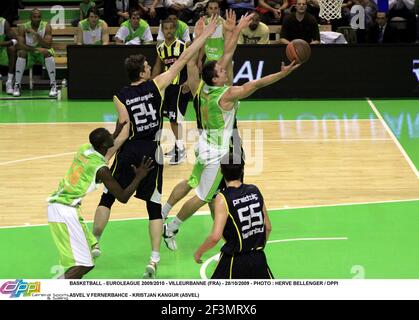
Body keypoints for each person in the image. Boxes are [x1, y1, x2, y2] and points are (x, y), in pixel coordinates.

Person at [91, 17, 218, 279]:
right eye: (147, 66)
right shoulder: (156, 86)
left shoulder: (120, 96)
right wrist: (203, 37)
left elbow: (123, 129)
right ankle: (153, 258)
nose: (151, 67)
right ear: (142, 73)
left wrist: (106, 156)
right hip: (152, 151)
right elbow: (184, 60)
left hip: (129, 150)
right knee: (153, 205)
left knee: (107, 197)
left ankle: (94, 244)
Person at [162, 12, 300, 251]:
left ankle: (164, 211)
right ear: (216, 78)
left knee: (192, 180)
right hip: (217, 151)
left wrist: (230, 31)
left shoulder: (201, 87)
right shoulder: (226, 96)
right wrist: (284, 74)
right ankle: (172, 226)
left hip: (203, 143)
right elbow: (256, 83)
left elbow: (222, 55)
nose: (225, 71)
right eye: (222, 72)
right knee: (204, 195)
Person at [47, 121, 154, 279]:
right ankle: (53, 289)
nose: (112, 135)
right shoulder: (101, 170)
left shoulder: (84, 149)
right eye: (108, 135)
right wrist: (139, 176)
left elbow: (104, 146)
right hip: (65, 211)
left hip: (59, 205)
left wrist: (117, 132)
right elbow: (123, 197)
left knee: (85, 259)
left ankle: (59, 287)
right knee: (85, 265)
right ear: (104, 144)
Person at [194, 153, 273, 279]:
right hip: (258, 259)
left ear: (221, 170)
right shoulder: (255, 190)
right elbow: (268, 227)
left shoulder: (223, 198)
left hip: (234, 261)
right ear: (242, 169)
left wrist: (199, 252)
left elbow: (215, 237)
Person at [152, 19, 190, 165]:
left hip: (180, 86)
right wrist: (152, 83)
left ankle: (180, 150)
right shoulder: (160, 48)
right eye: (165, 28)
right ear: (162, 30)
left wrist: (188, 81)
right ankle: (177, 147)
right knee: (170, 118)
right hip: (167, 87)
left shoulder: (182, 46)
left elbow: (192, 63)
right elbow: (157, 66)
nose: (168, 31)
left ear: (175, 30)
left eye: (170, 28)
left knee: (175, 119)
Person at [13, 8, 57, 97]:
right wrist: (35, 50)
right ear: (30, 17)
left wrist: (36, 34)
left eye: (39, 17)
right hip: (30, 52)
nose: (37, 19)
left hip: (41, 53)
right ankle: (17, 85)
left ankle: (53, 85)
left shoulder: (46, 26)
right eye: (34, 17)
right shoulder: (23, 27)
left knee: (48, 52)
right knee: (21, 53)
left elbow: (48, 45)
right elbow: (19, 46)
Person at [0, 16, 17, 94]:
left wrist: (2, 43)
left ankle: (9, 82)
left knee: (12, 49)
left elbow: (15, 40)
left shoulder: (3, 22)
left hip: (1, 52)